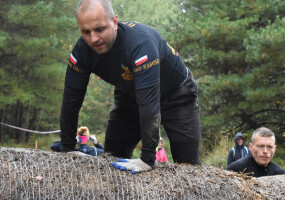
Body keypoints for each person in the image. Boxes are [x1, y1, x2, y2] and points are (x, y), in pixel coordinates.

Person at [60, 0, 201, 174]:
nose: (93, 38)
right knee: (112, 158)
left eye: (99, 29)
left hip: (177, 95)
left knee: (189, 169)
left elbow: (149, 104)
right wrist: (68, 147)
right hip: (130, 95)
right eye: (85, 32)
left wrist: (148, 159)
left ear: (114, 22)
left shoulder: (140, 44)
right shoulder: (81, 51)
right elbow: (71, 100)